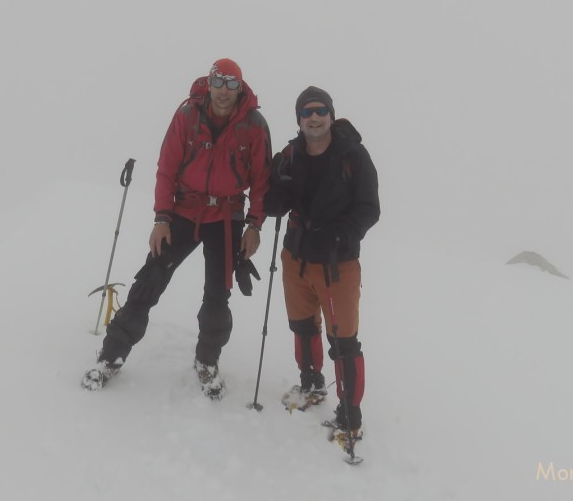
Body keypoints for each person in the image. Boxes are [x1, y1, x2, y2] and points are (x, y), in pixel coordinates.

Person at [82, 58, 271, 399]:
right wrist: (161, 218)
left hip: (227, 216)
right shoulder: (187, 115)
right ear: (209, 82)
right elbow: (167, 168)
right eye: (218, 81)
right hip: (183, 211)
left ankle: (207, 361)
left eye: (232, 84)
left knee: (217, 295)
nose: (224, 90)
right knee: (149, 282)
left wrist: (254, 225)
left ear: (240, 88)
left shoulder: (254, 125)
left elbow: (261, 181)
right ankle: (110, 357)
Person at [264, 86, 380, 441]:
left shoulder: (353, 156)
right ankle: (311, 382)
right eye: (307, 112)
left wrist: (343, 235)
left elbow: (369, 208)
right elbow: (272, 205)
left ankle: (350, 413)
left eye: (320, 110)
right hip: (296, 257)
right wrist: (279, 185)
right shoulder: (290, 155)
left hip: (336, 262)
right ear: (299, 119)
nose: (314, 117)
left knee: (344, 340)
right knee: (302, 326)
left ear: (330, 115)